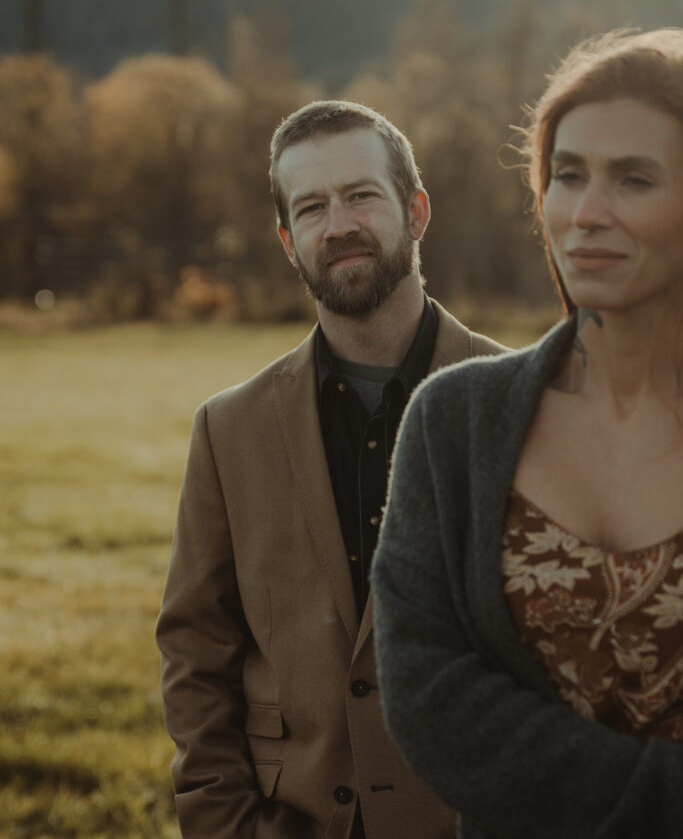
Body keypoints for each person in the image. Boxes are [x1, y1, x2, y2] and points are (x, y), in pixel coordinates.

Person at [155, 99, 504, 839]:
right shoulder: (227, 431)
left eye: (360, 196)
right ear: (287, 240)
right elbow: (195, 654)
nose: (338, 224)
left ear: (415, 211)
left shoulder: (523, 401)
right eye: (311, 207)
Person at [372, 28, 683, 839]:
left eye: (633, 179)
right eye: (567, 175)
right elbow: (426, 691)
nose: (585, 213)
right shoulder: (453, 422)